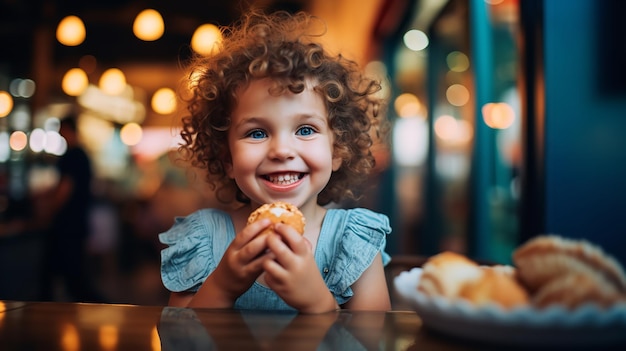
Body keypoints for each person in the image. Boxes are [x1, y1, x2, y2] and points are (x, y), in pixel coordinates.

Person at [159, 10, 391, 313]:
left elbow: (374, 344)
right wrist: (222, 285)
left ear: (337, 151)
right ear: (226, 157)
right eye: (256, 133)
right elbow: (179, 340)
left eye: (305, 130)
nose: (281, 150)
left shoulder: (354, 242)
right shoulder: (203, 239)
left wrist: (318, 303)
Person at [39, 114, 103, 302]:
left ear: (67, 130)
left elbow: (65, 189)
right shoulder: (82, 155)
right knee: (71, 276)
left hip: (67, 224)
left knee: (67, 277)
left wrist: (47, 210)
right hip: (77, 222)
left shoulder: (72, 155)